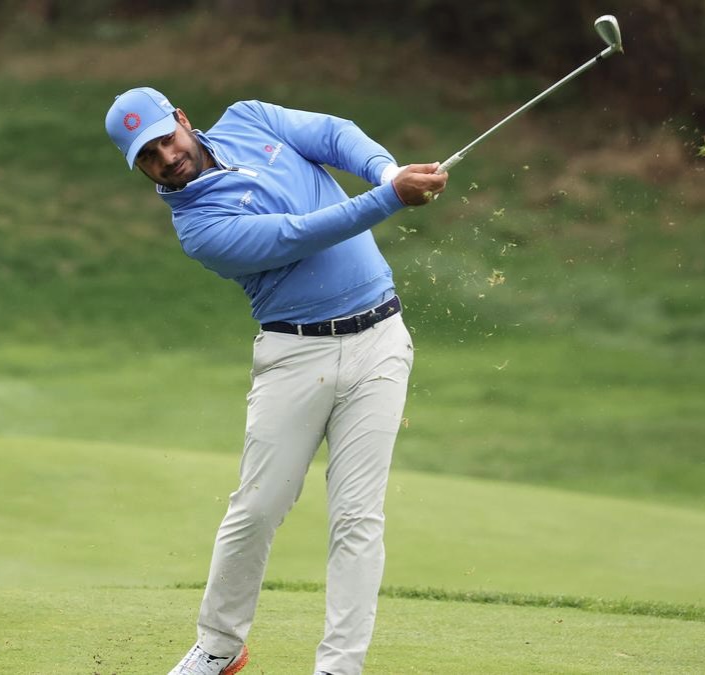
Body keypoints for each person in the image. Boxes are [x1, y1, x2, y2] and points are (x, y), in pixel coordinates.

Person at [104, 87, 448, 675]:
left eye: (165, 139)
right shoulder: (198, 227)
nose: (166, 158)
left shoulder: (250, 119)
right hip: (295, 355)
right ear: (138, 167)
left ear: (182, 119)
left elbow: (334, 135)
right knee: (257, 508)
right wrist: (390, 197)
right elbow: (297, 233)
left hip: (381, 340)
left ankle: (339, 667)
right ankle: (219, 646)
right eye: (147, 156)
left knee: (357, 516)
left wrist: (385, 170)